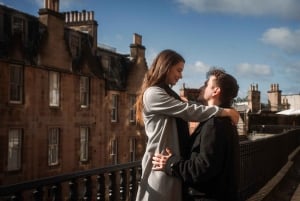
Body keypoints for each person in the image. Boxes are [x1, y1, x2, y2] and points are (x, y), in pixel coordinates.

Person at [135, 49, 240, 201]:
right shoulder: (153, 93)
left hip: (170, 164)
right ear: (166, 66)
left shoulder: (170, 96)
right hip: (160, 163)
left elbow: (204, 167)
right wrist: (225, 111)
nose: (181, 75)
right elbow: (188, 110)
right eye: (178, 70)